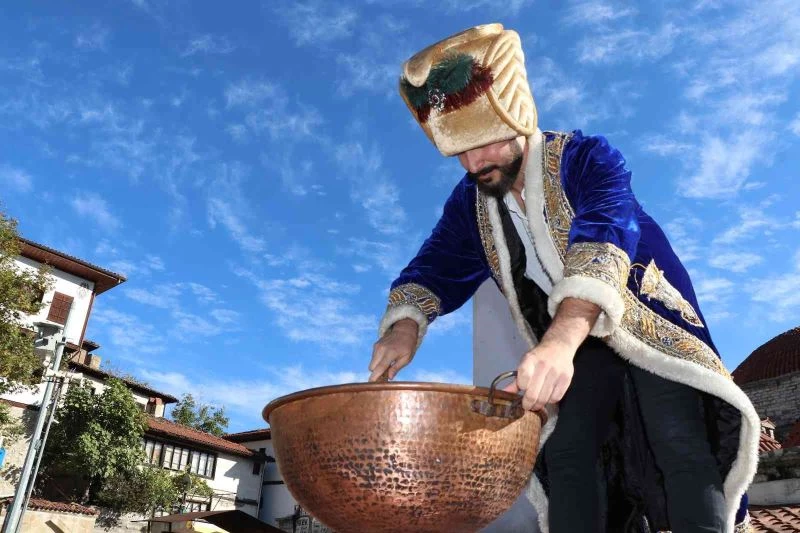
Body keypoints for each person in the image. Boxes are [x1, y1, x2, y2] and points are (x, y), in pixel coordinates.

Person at [368, 23, 760, 533]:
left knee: (677, 437)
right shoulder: (471, 201)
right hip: (574, 342)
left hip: (644, 322)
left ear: (518, 118)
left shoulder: (587, 157)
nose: (473, 163)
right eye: (459, 151)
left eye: (483, 143)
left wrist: (560, 341)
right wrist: (405, 325)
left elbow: (605, 233)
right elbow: (436, 264)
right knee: (569, 450)